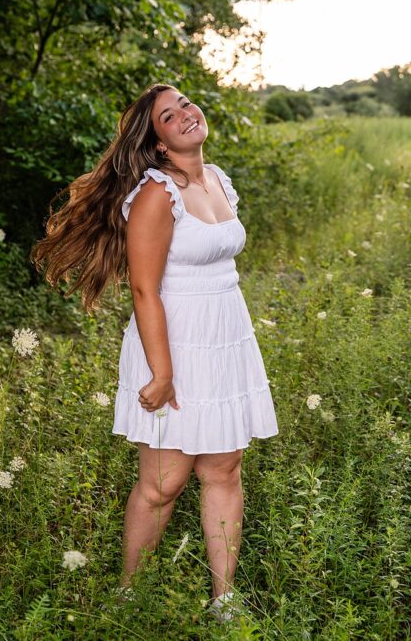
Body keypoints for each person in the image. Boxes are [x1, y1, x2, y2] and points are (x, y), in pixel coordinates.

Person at [31, 83, 278, 620]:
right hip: (173, 343)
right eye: (170, 116)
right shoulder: (154, 195)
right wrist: (162, 374)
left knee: (225, 469)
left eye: (186, 103)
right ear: (159, 142)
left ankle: (224, 601)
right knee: (163, 484)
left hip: (224, 339)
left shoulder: (218, 182)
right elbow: (144, 290)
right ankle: (127, 595)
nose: (186, 114)